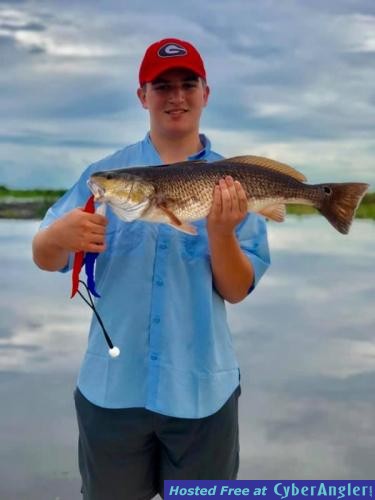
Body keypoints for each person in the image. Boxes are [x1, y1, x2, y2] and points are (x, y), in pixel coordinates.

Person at [32, 38, 270, 500]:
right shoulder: (104, 174)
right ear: (143, 96)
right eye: (162, 87)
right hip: (110, 392)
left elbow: (237, 290)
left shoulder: (231, 181)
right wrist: (57, 238)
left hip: (203, 390)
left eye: (187, 84)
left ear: (206, 93)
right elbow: (46, 256)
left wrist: (221, 232)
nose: (175, 97)